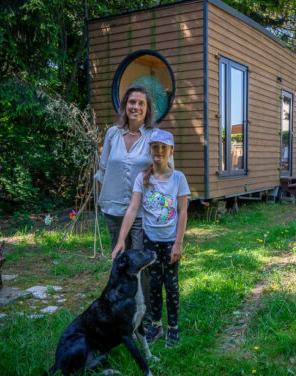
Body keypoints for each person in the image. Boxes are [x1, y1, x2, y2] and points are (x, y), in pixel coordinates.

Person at [112, 129, 189, 348]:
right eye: (155, 147)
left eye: (164, 148)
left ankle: (172, 327)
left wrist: (178, 243)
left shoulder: (178, 178)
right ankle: (156, 323)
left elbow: (183, 211)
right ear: (150, 150)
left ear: (171, 151)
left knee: (171, 284)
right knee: (154, 283)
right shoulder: (143, 179)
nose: (159, 151)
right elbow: (133, 208)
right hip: (150, 242)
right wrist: (120, 241)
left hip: (170, 241)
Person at [94, 85, 156, 253]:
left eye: (141, 103)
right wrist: (104, 200)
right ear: (125, 106)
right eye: (132, 102)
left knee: (140, 260)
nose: (136, 107)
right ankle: (120, 281)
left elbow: (166, 173)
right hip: (113, 209)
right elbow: (103, 171)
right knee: (120, 258)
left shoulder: (155, 136)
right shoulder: (113, 134)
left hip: (142, 210)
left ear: (147, 109)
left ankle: (141, 282)